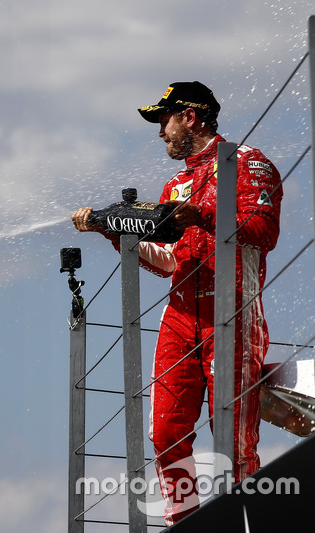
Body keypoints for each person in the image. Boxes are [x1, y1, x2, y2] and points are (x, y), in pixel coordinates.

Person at [71, 81, 283, 525]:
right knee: (166, 433)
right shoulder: (177, 183)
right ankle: (183, 522)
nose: (160, 133)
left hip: (234, 311)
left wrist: (205, 216)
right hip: (180, 318)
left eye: (163, 120)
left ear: (190, 116)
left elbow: (264, 234)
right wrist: (114, 232)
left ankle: (255, 524)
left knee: (234, 440)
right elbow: (169, 260)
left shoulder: (249, 163)